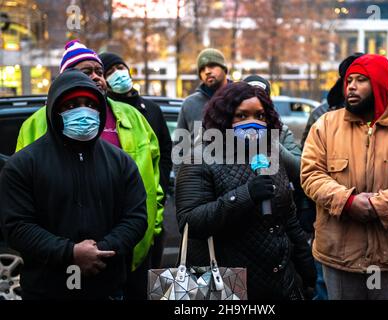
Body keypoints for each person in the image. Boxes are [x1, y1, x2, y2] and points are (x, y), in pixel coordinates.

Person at [15, 40, 163, 300]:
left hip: (130, 250)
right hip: (53, 272)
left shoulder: (132, 118)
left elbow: (156, 170)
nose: (97, 77)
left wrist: (155, 222)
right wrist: (70, 252)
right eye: (86, 72)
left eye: (98, 71)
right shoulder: (34, 128)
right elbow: (21, 207)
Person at [301, 54, 388, 300]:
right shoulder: (324, 125)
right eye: (349, 80)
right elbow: (311, 174)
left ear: (380, 85)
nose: (351, 86)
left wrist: (378, 205)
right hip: (339, 258)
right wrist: (348, 201)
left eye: (361, 80)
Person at [175, 82, 316, 300]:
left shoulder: (270, 153)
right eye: (242, 116)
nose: (253, 123)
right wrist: (245, 195)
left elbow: (288, 219)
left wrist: (305, 264)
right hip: (227, 285)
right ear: (223, 117)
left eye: (260, 116)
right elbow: (190, 222)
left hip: (280, 283)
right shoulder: (199, 158)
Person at [99, 52, 172, 269]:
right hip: (118, 207)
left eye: (120, 68)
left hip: (151, 203)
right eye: (110, 72)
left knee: (149, 272)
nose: (117, 74)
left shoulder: (151, 109)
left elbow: (164, 152)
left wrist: (161, 187)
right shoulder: (107, 112)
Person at [176, 48, 229, 134]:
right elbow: (180, 144)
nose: (207, 71)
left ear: (224, 69)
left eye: (211, 66)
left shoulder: (239, 98)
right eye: (202, 69)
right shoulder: (189, 104)